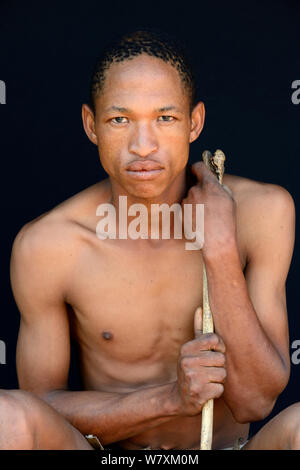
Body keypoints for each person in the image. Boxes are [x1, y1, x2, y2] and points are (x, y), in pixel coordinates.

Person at [2, 29, 299, 450]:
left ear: (194, 123)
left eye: (165, 118)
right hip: (113, 458)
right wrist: (170, 399)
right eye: (120, 120)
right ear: (92, 125)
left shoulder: (264, 212)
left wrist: (219, 251)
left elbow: (255, 402)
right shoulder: (49, 245)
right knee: (6, 417)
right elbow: (41, 406)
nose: (143, 146)